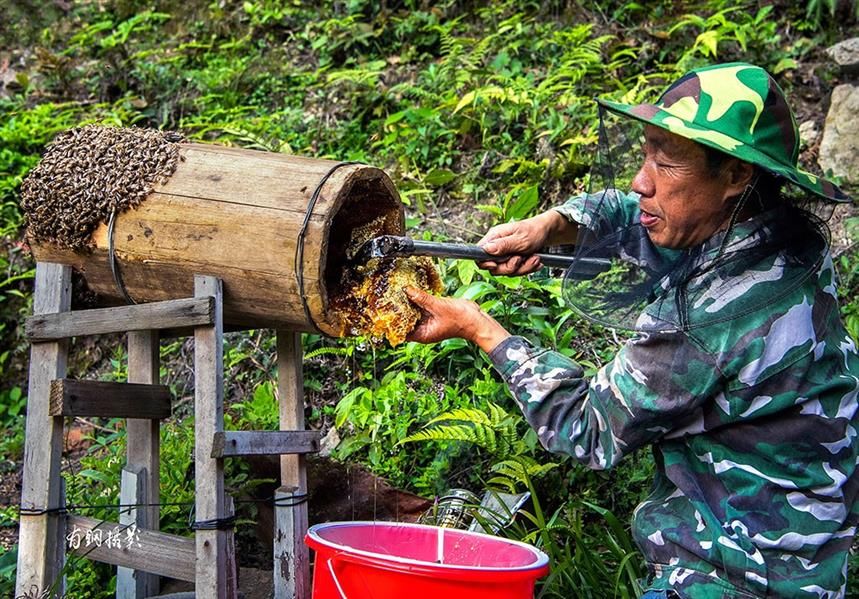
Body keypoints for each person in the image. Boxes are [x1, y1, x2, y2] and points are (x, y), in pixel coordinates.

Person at [404, 62, 859, 598]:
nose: (641, 180)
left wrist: (478, 328)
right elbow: (640, 213)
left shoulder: (709, 318)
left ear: (736, 175)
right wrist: (554, 224)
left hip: (737, 577)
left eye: (666, 163)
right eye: (645, 151)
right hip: (810, 559)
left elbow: (585, 427)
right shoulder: (781, 240)